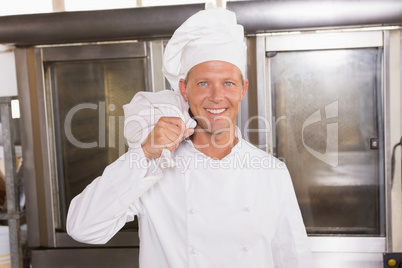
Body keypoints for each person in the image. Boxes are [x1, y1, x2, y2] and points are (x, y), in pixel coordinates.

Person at [67, 8, 312, 268]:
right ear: (184, 89)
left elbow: (293, 259)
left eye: (228, 83)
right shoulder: (154, 167)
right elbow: (82, 227)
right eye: (203, 83)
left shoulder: (271, 172)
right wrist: (144, 154)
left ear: (243, 89)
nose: (217, 96)